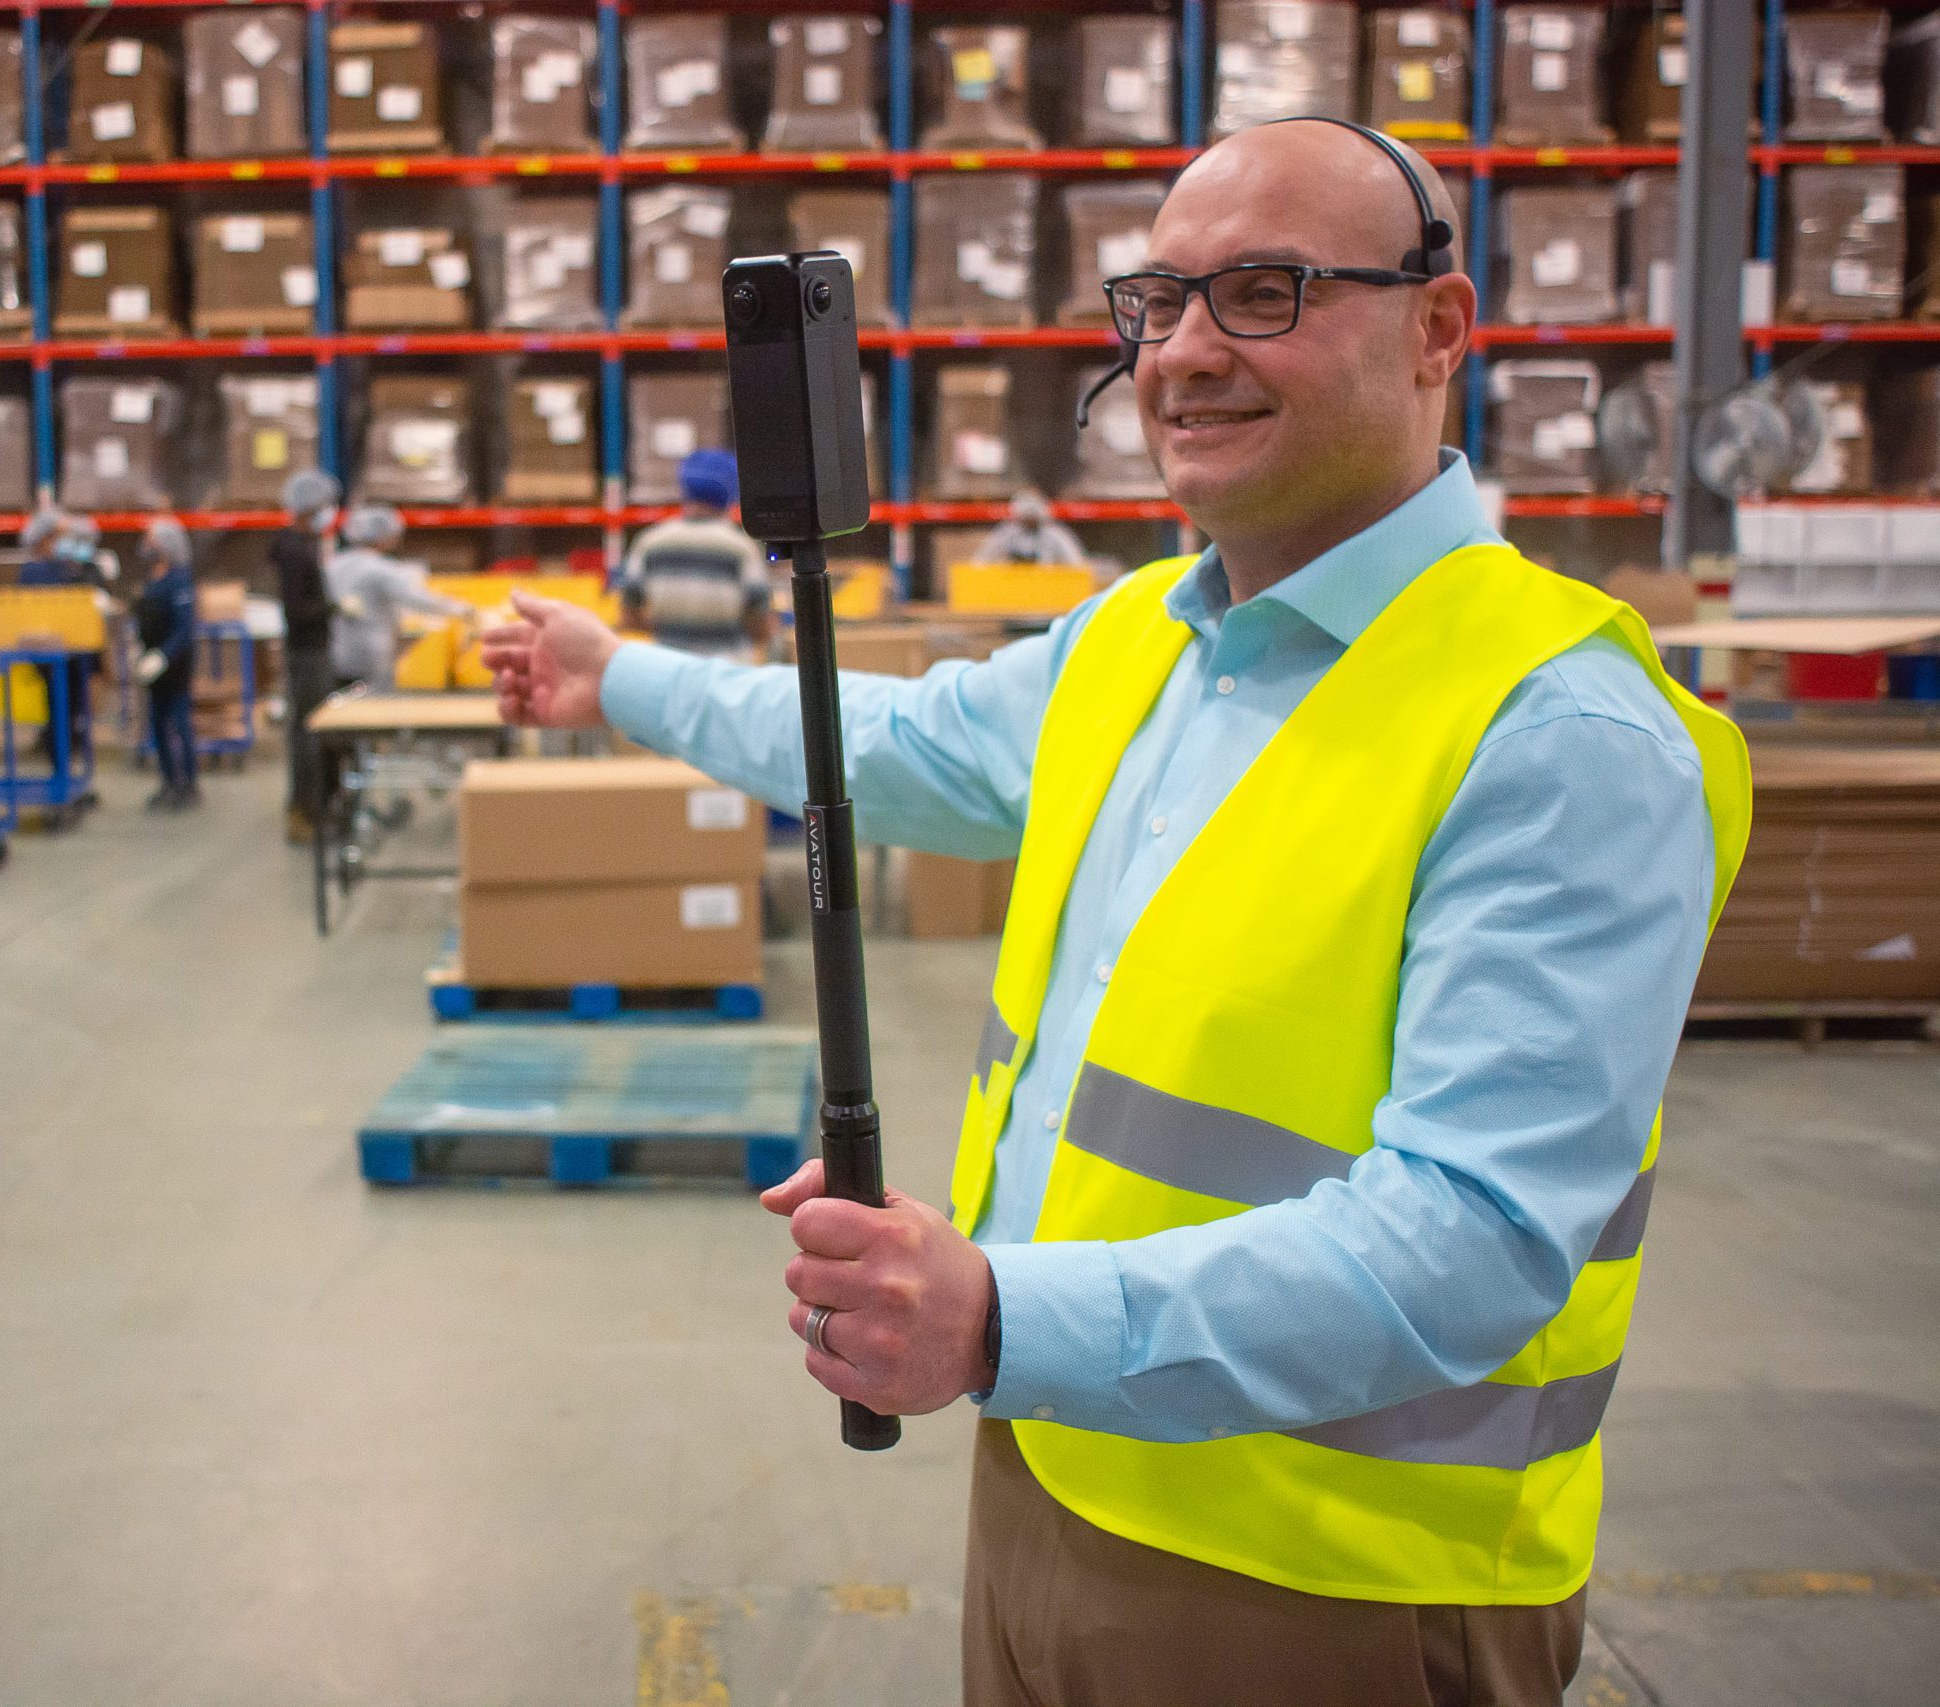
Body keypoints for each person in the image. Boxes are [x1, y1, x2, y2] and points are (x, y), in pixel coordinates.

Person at [484, 118, 1750, 1707]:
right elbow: (885, 741)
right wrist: (620, 679)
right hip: (1056, 1469)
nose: (1190, 353)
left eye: (1268, 291)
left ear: (1441, 329)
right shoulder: (1139, 638)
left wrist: (996, 1310)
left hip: (1327, 1578)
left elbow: (1474, 1242)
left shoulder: (1557, 730)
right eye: (1158, 303)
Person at [613, 447, 773, 660]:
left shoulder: (650, 542)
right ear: (731, 490)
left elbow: (628, 616)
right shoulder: (740, 547)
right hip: (729, 678)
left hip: (671, 672)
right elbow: (761, 626)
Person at [325, 502, 471, 691]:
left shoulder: (332, 565)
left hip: (336, 651)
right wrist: (460, 608)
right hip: (371, 654)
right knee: (373, 709)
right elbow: (416, 598)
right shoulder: (381, 569)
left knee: (340, 708)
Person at [269, 470, 342, 845]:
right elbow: (298, 611)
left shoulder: (302, 547)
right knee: (311, 732)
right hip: (307, 651)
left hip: (310, 649)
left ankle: (315, 806)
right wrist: (333, 607)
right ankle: (307, 812)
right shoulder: (295, 552)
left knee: (311, 730)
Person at [15, 505, 109, 768]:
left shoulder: (75, 567)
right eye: (58, 536)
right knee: (58, 715)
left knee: (74, 713)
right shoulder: (36, 571)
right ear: (44, 539)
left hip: (77, 657)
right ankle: (59, 766)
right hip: (52, 659)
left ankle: (70, 768)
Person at [131, 515, 201, 811]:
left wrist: (164, 656)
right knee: (157, 722)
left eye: (152, 540)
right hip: (151, 661)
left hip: (175, 664)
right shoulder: (153, 578)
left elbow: (184, 627)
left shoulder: (179, 579)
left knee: (180, 720)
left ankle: (189, 783)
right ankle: (168, 780)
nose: (147, 545)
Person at [974, 489, 1091, 566]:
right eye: (1025, 520)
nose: (1028, 524)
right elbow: (981, 561)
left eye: (1032, 520)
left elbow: (1075, 562)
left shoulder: (1054, 534)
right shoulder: (1007, 533)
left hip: (1046, 588)